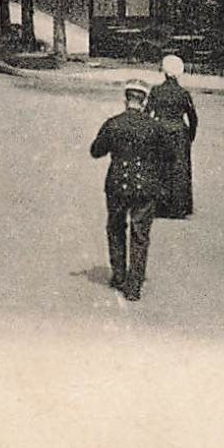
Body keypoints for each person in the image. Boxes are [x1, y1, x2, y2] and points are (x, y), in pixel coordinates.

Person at [89, 79, 175, 301]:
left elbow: (96, 151)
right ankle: (134, 285)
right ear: (144, 101)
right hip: (145, 185)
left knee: (116, 228)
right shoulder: (155, 127)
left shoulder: (113, 123)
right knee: (140, 234)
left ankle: (118, 275)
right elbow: (170, 157)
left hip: (117, 183)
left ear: (126, 99)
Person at [148, 54, 199, 219]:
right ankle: (179, 206)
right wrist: (190, 136)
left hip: (160, 130)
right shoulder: (183, 93)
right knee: (179, 170)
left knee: (160, 167)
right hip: (179, 132)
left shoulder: (156, 91)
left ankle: (159, 206)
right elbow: (193, 118)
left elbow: (147, 113)